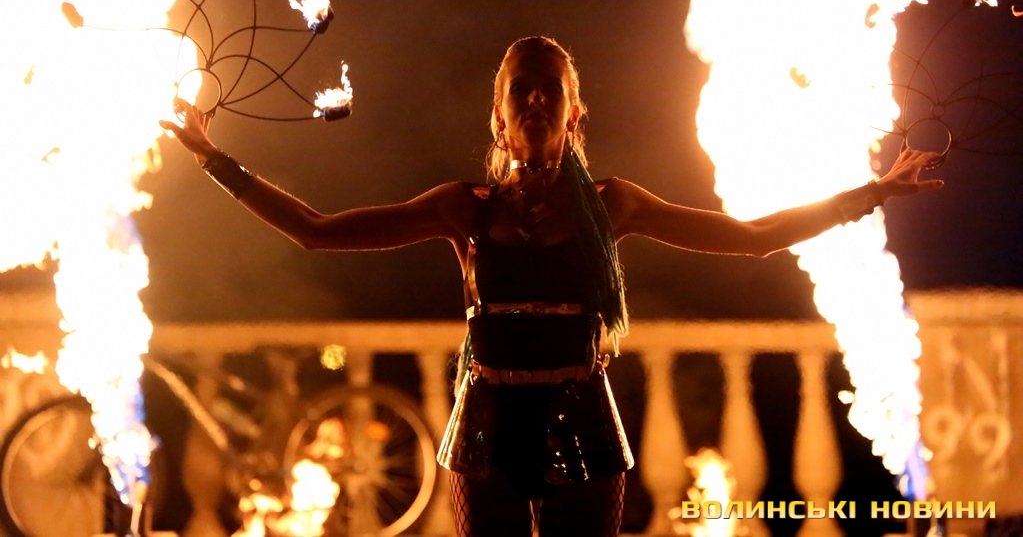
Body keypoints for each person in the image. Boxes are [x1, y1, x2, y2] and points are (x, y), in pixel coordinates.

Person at [162, 35, 943, 537]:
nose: (535, 99)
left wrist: (869, 193)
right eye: (520, 90)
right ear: (499, 117)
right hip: (484, 426)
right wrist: (209, 156)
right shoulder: (462, 209)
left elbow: (751, 238)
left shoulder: (613, 206)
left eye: (549, 90)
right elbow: (315, 230)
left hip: (583, 421)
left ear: (574, 115)